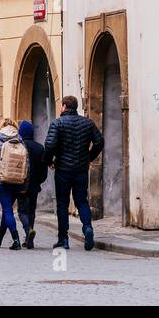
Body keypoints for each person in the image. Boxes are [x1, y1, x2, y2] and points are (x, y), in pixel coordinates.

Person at [43, 96, 103, 250]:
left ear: (64, 106)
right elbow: (99, 141)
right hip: (81, 169)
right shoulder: (87, 123)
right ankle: (88, 227)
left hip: (63, 169)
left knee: (62, 204)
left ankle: (63, 239)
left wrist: (49, 161)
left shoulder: (57, 123)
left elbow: (49, 145)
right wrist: (89, 157)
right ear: (75, 107)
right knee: (81, 201)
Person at [0, 117, 26, 250]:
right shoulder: (20, 140)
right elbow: (27, 163)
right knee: (7, 209)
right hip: (17, 180)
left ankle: (16, 240)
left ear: (1, 126)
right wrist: (24, 180)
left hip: (2, 180)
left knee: (7, 210)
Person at [16, 120, 47, 250]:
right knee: (32, 210)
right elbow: (43, 171)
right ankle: (30, 238)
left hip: (20, 184)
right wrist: (38, 181)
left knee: (22, 210)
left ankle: (28, 231)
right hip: (34, 185)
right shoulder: (39, 148)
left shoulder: (18, 147)